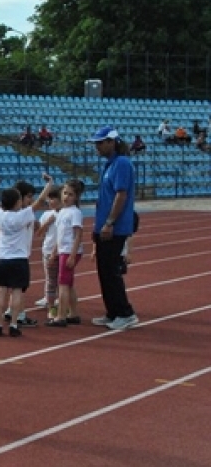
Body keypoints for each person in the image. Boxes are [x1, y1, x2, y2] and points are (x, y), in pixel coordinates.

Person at [87, 127, 139, 330]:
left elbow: (121, 195)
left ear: (112, 142)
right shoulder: (110, 165)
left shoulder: (122, 163)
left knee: (111, 271)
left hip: (115, 228)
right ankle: (113, 311)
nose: (96, 147)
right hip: (104, 226)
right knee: (104, 271)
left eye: (100, 143)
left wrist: (109, 223)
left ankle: (125, 312)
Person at [0, 174, 53, 337]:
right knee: (17, 292)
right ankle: (13, 324)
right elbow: (39, 202)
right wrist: (49, 184)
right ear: (17, 202)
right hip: (19, 259)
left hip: (2, 258)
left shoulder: (0, 216)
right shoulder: (22, 215)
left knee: (1, 291)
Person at [47, 179, 85, 328]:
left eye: (70, 194)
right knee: (68, 284)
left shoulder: (75, 213)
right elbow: (60, 235)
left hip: (69, 252)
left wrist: (72, 255)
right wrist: (54, 252)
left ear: (76, 197)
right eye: (64, 193)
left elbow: (78, 235)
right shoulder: (62, 211)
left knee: (62, 284)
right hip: (63, 250)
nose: (66, 197)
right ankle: (73, 313)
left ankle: (61, 316)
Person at [33, 187, 61, 316]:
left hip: (61, 251)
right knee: (49, 278)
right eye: (49, 198)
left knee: (60, 279)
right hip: (48, 249)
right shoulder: (47, 214)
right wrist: (47, 223)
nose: (50, 201)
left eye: (53, 198)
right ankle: (48, 299)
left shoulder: (65, 213)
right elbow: (39, 233)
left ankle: (60, 301)